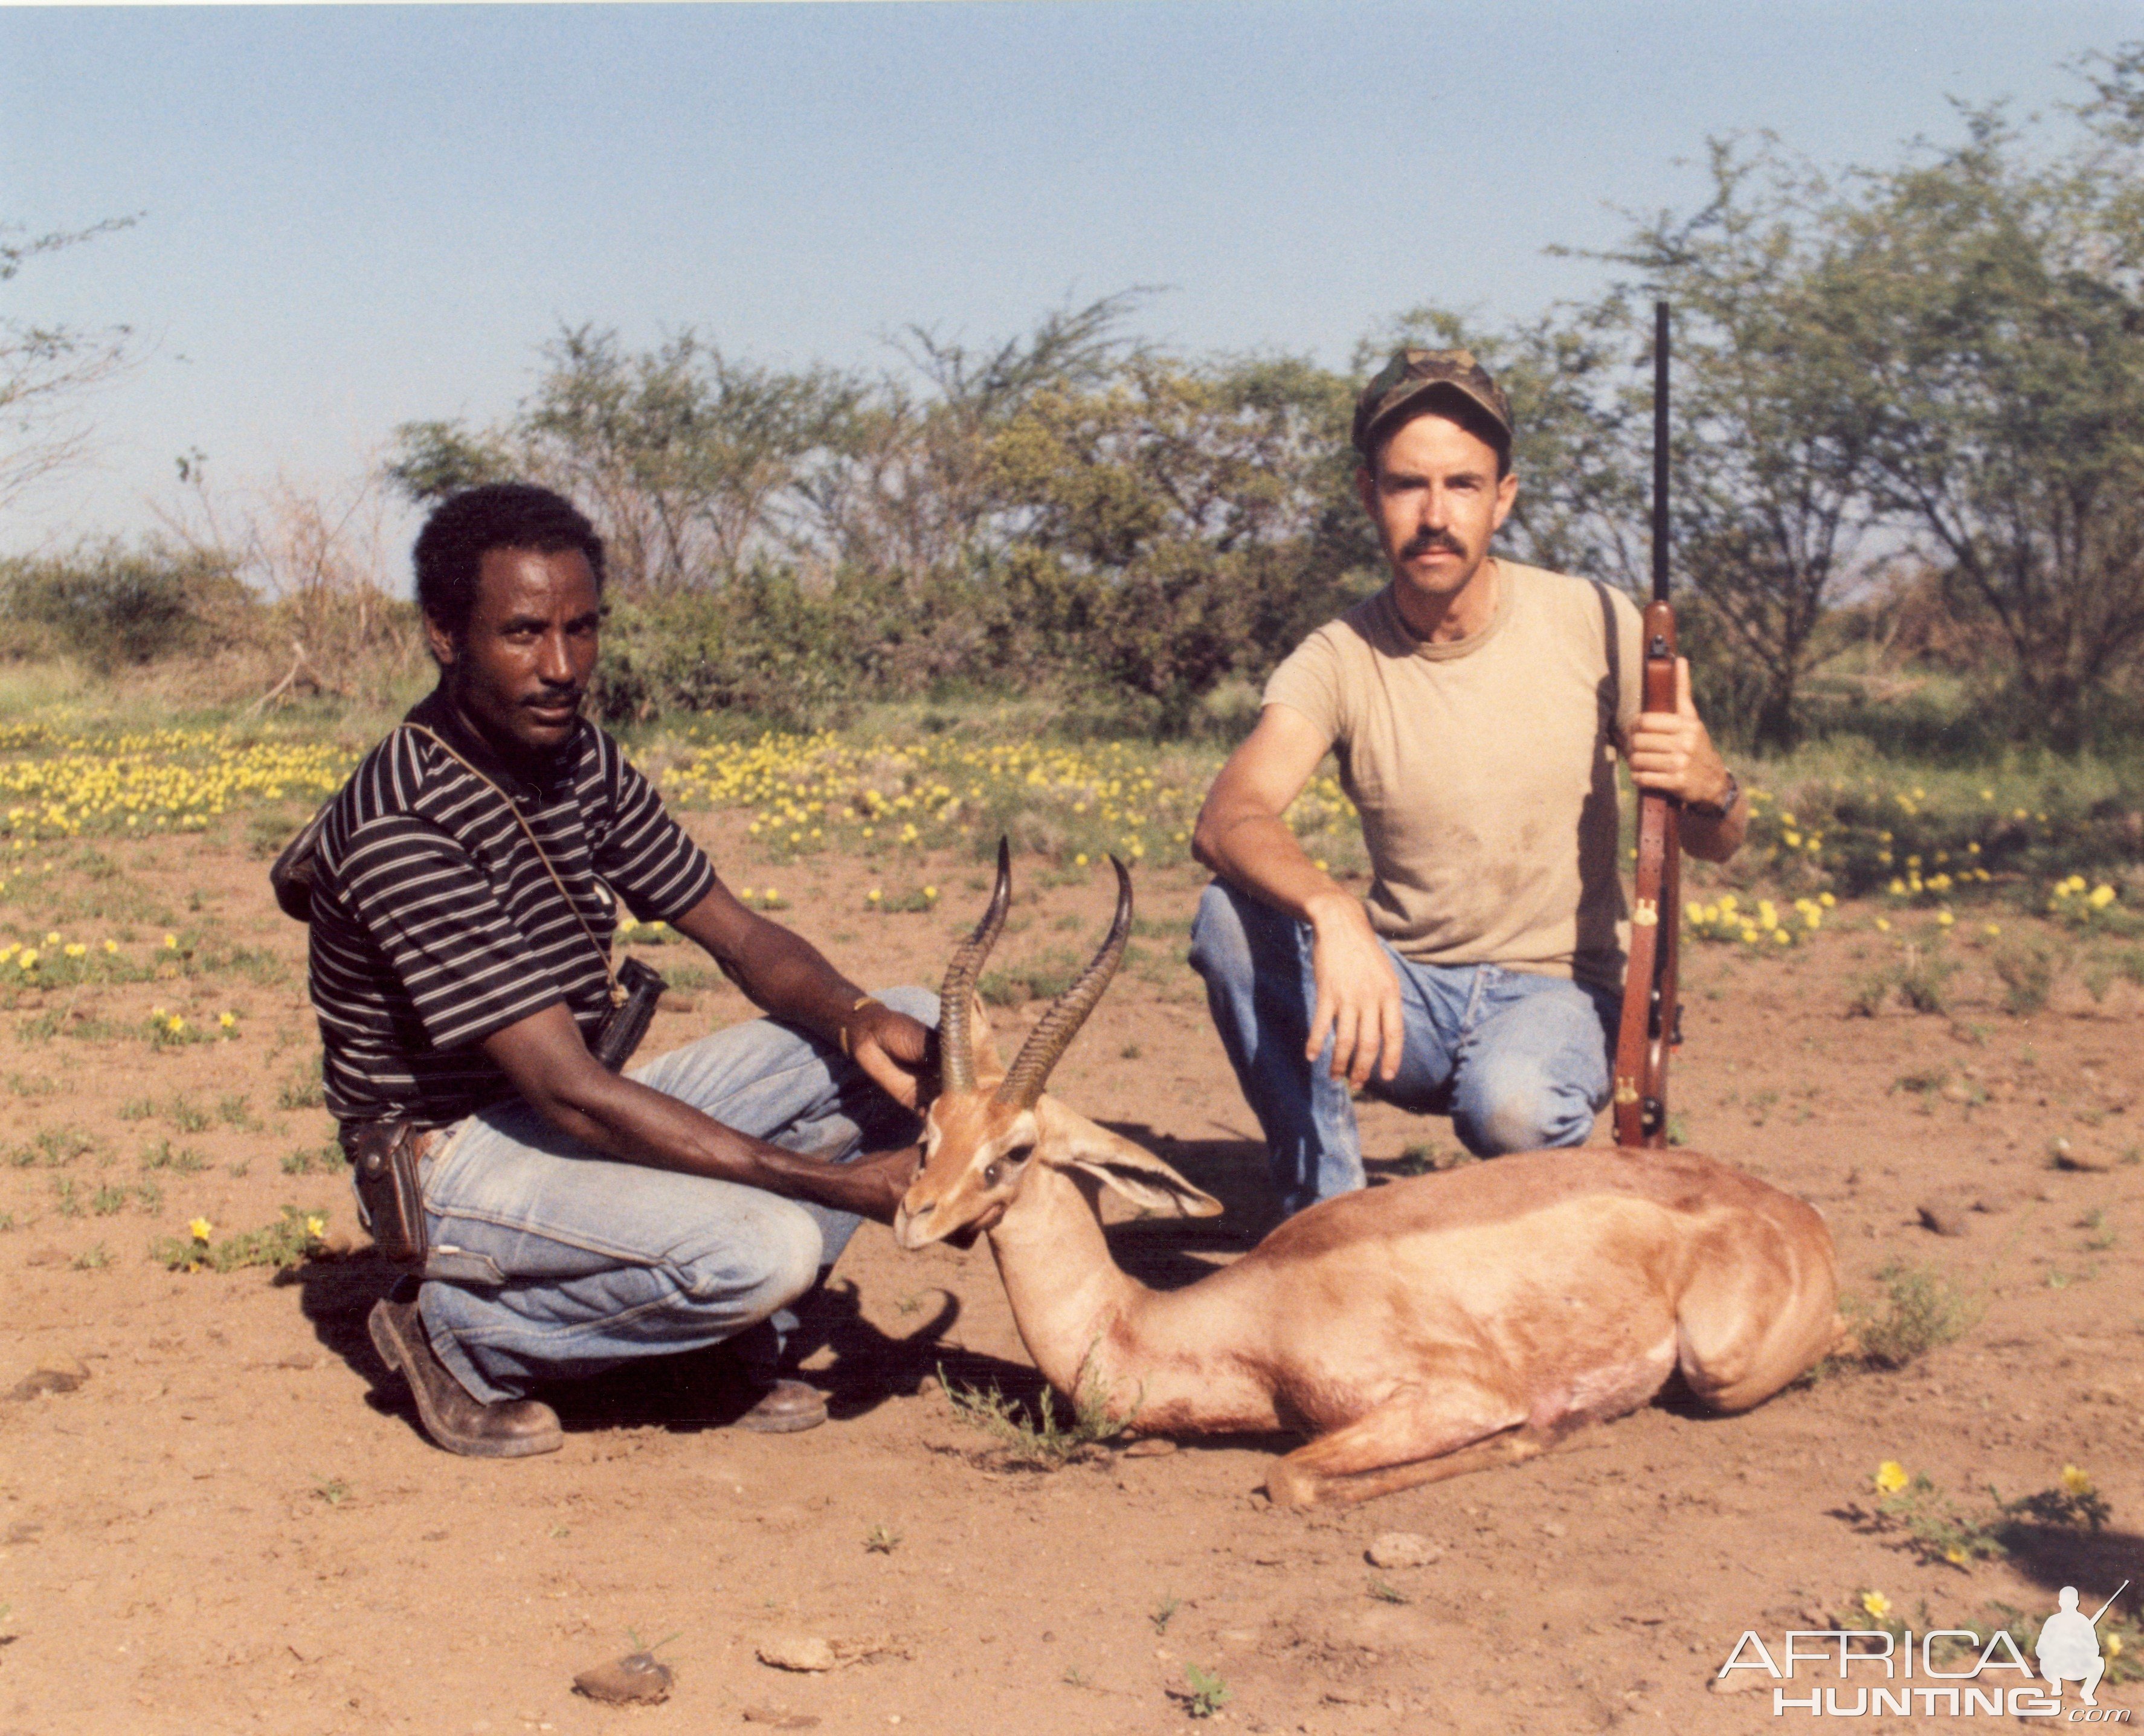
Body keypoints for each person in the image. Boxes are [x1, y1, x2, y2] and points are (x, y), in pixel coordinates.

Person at [306, 482, 932, 1457]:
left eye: (581, 628)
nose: (561, 667)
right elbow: (571, 1095)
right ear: (444, 633)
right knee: (767, 1245)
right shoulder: (403, 820)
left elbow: (738, 936)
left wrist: (853, 1015)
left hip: (570, 1099)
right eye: (522, 633)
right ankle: (461, 1332)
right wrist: (832, 1185)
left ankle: (686, 1336)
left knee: (916, 1029)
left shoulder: (576, 757)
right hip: (454, 1156)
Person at [1189, 348, 1745, 1217]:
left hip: (1557, 990)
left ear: (1504, 496)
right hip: (1400, 991)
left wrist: (1713, 788)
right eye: (1409, 485)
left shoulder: (1597, 620)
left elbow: (1714, 841)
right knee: (1227, 916)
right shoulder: (1338, 654)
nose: (1436, 514)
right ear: (1368, 494)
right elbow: (1229, 815)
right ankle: (1325, 1221)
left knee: (1514, 1107)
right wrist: (1333, 911)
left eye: (1463, 484)